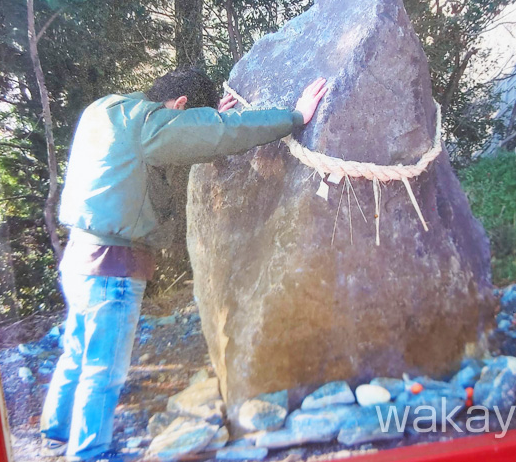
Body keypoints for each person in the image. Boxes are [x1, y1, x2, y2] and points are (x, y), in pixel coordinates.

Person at [40, 68, 328, 461]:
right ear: (179, 106)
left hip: (78, 257)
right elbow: (224, 133)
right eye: (182, 114)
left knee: (77, 351)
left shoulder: (107, 109)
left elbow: (188, 136)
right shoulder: (147, 125)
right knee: (104, 369)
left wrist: (205, 118)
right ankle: (90, 454)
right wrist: (294, 117)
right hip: (112, 267)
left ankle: (56, 433)